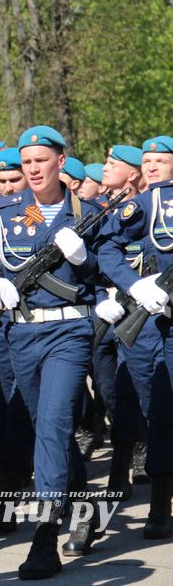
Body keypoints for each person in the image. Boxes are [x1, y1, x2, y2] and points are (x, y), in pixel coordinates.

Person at [0, 126, 106, 579]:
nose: (33, 168)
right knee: (52, 428)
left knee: (52, 423)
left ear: (60, 163)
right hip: (21, 336)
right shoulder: (1, 211)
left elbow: (115, 265)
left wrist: (86, 260)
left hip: (69, 333)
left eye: (41, 160)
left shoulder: (89, 212)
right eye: (26, 161)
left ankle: (45, 539)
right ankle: (84, 508)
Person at [95, 134, 173, 541]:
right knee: (149, 404)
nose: (153, 166)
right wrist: (135, 285)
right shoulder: (140, 205)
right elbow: (106, 247)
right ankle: (158, 498)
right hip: (149, 324)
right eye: (148, 161)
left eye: (161, 159)